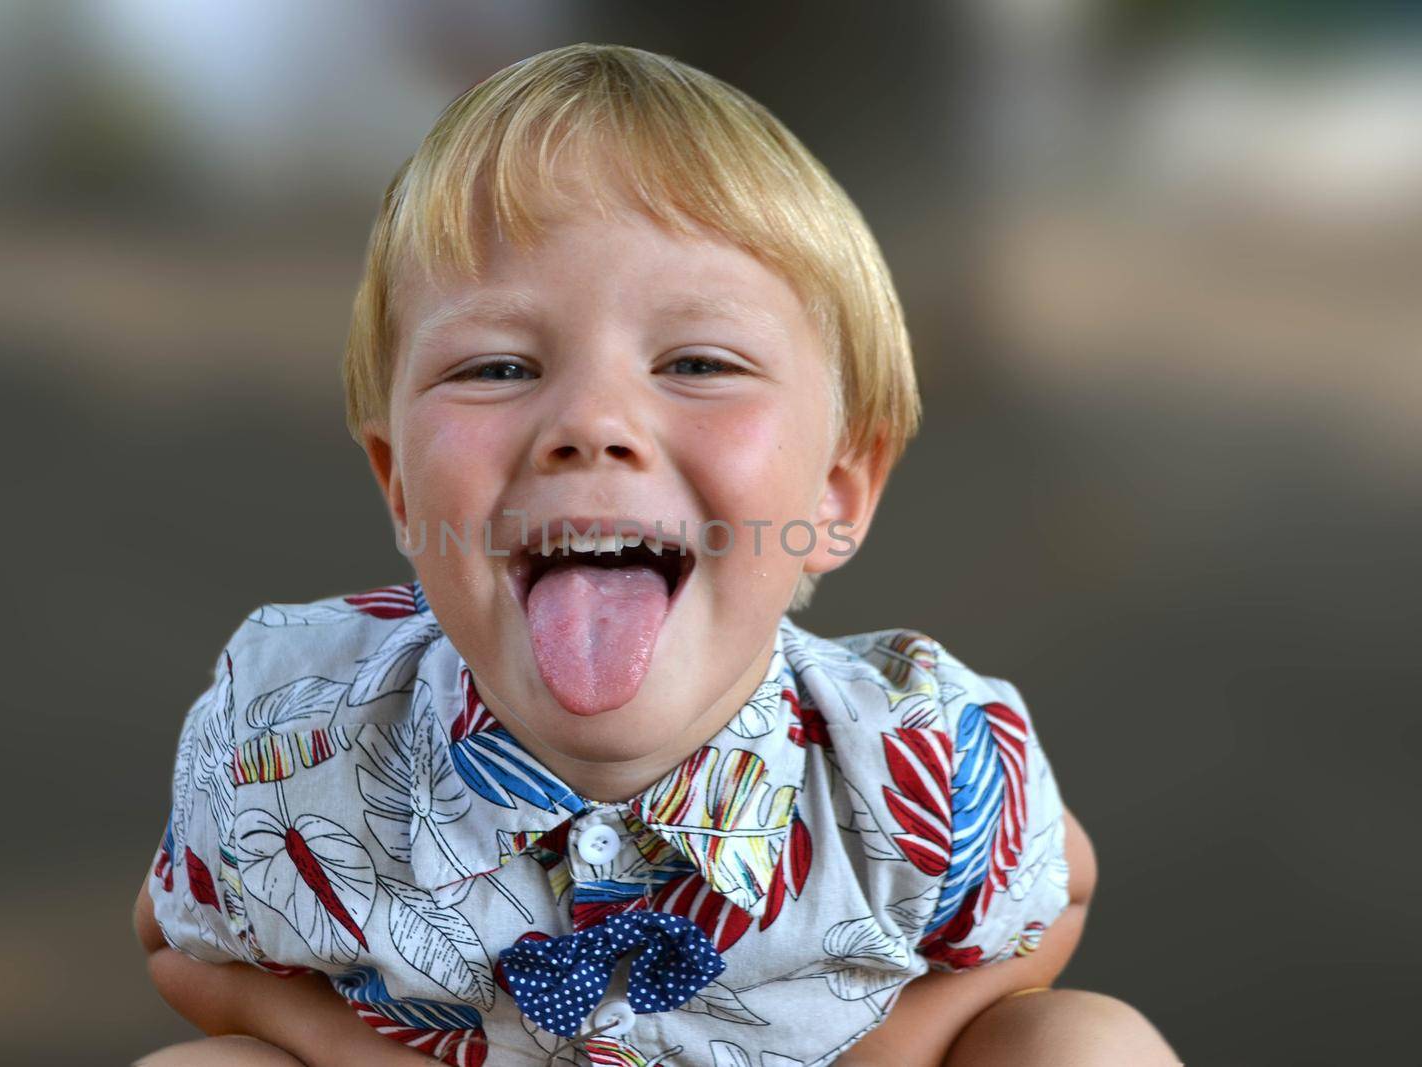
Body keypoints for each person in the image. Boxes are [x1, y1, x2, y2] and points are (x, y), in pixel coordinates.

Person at [132, 43, 1180, 1067]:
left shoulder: (920, 760)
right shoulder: (291, 740)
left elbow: (1058, 891)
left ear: (836, 488)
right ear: (399, 483)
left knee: (1084, 1044)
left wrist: (892, 1051)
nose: (590, 421)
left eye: (696, 361)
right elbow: (174, 934)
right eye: (497, 366)